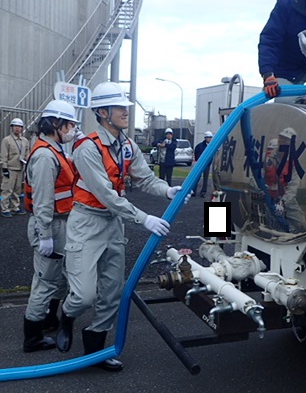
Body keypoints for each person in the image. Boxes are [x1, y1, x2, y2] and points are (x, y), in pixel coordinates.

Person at [56, 81, 189, 371]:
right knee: (83, 295)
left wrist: (168, 190)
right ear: (103, 112)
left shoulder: (127, 146)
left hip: (114, 225)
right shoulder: (87, 147)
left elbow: (145, 178)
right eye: (119, 107)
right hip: (87, 222)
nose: (125, 112)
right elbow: (106, 195)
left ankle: (95, 349)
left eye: (125, 107)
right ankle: (66, 316)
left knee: (112, 291)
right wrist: (144, 219)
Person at [22, 100, 83, 353]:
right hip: (51, 225)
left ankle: (49, 319)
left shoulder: (54, 150)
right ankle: (32, 337)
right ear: (55, 124)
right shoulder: (46, 155)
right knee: (45, 280)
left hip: (60, 224)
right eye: (69, 124)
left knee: (57, 278)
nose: (72, 129)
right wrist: (45, 235)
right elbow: (44, 201)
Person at [0, 117, 30, 217]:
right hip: (10, 168)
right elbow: (3, 154)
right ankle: (5, 209)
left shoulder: (25, 141)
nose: (17, 128)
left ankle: (15, 207)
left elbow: (27, 153)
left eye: (20, 127)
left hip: (20, 168)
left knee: (17, 190)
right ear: (12, 127)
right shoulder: (7, 140)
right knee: (7, 189)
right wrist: (4, 168)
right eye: (15, 126)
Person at [193, 131, 214, 198]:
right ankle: (193, 191)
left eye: (210, 137)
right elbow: (196, 154)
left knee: (205, 179)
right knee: (196, 178)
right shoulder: (199, 146)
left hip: (207, 165)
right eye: (208, 138)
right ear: (205, 138)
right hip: (200, 165)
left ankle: (203, 192)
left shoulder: (212, 146)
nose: (209, 139)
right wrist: (198, 161)